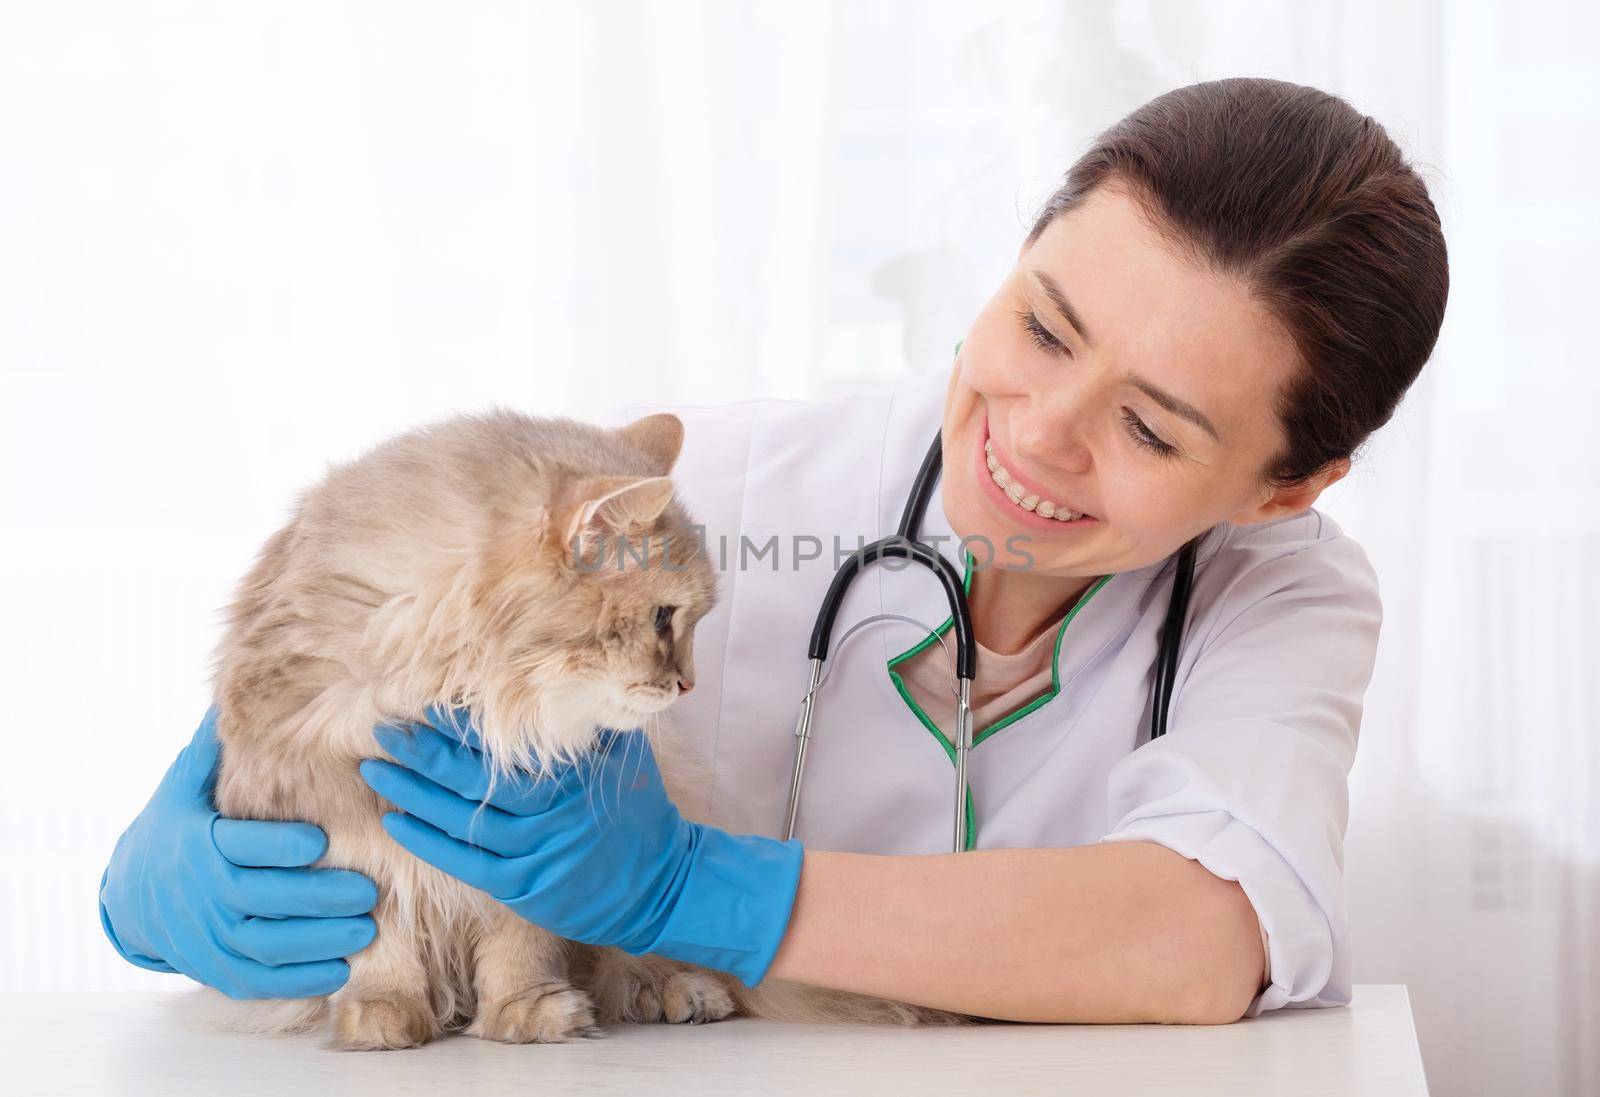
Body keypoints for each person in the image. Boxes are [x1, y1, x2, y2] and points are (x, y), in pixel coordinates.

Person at [98, 77, 1449, 1025]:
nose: (1036, 435)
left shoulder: (1285, 596)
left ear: (1285, 485)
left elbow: (1196, 941)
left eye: (1148, 427)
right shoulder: (724, 486)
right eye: (1042, 327)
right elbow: (389, 698)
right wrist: (164, 878)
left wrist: (697, 889)